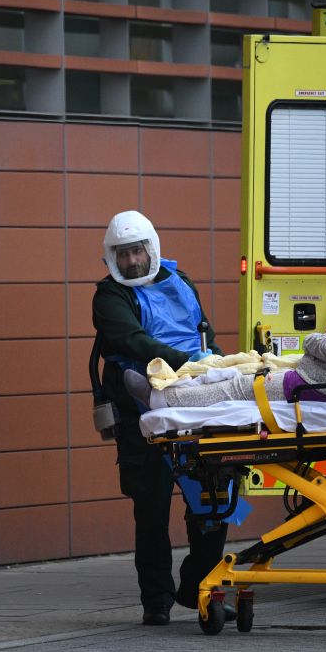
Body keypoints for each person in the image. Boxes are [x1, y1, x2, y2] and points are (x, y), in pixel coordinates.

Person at [92, 210, 228, 626]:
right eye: (123, 254)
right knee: (151, 508)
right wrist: (189, 363)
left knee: (213, 500)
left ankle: (197, 586)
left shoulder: (180, 281)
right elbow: (133, 341)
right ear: (112, 257)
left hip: (196, 402)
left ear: (151, 249)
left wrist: (219, 367)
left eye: (137, 251)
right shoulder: (110, 297)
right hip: (141, 412)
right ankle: (156, 601)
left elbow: (206, 335)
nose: (132, 261)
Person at [125, 256, 326, 410]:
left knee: (240, 387)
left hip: (323, 385)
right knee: (247, 366)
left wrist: (314, 340)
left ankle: (161, 399)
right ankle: (176, 385)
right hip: (325, 378)